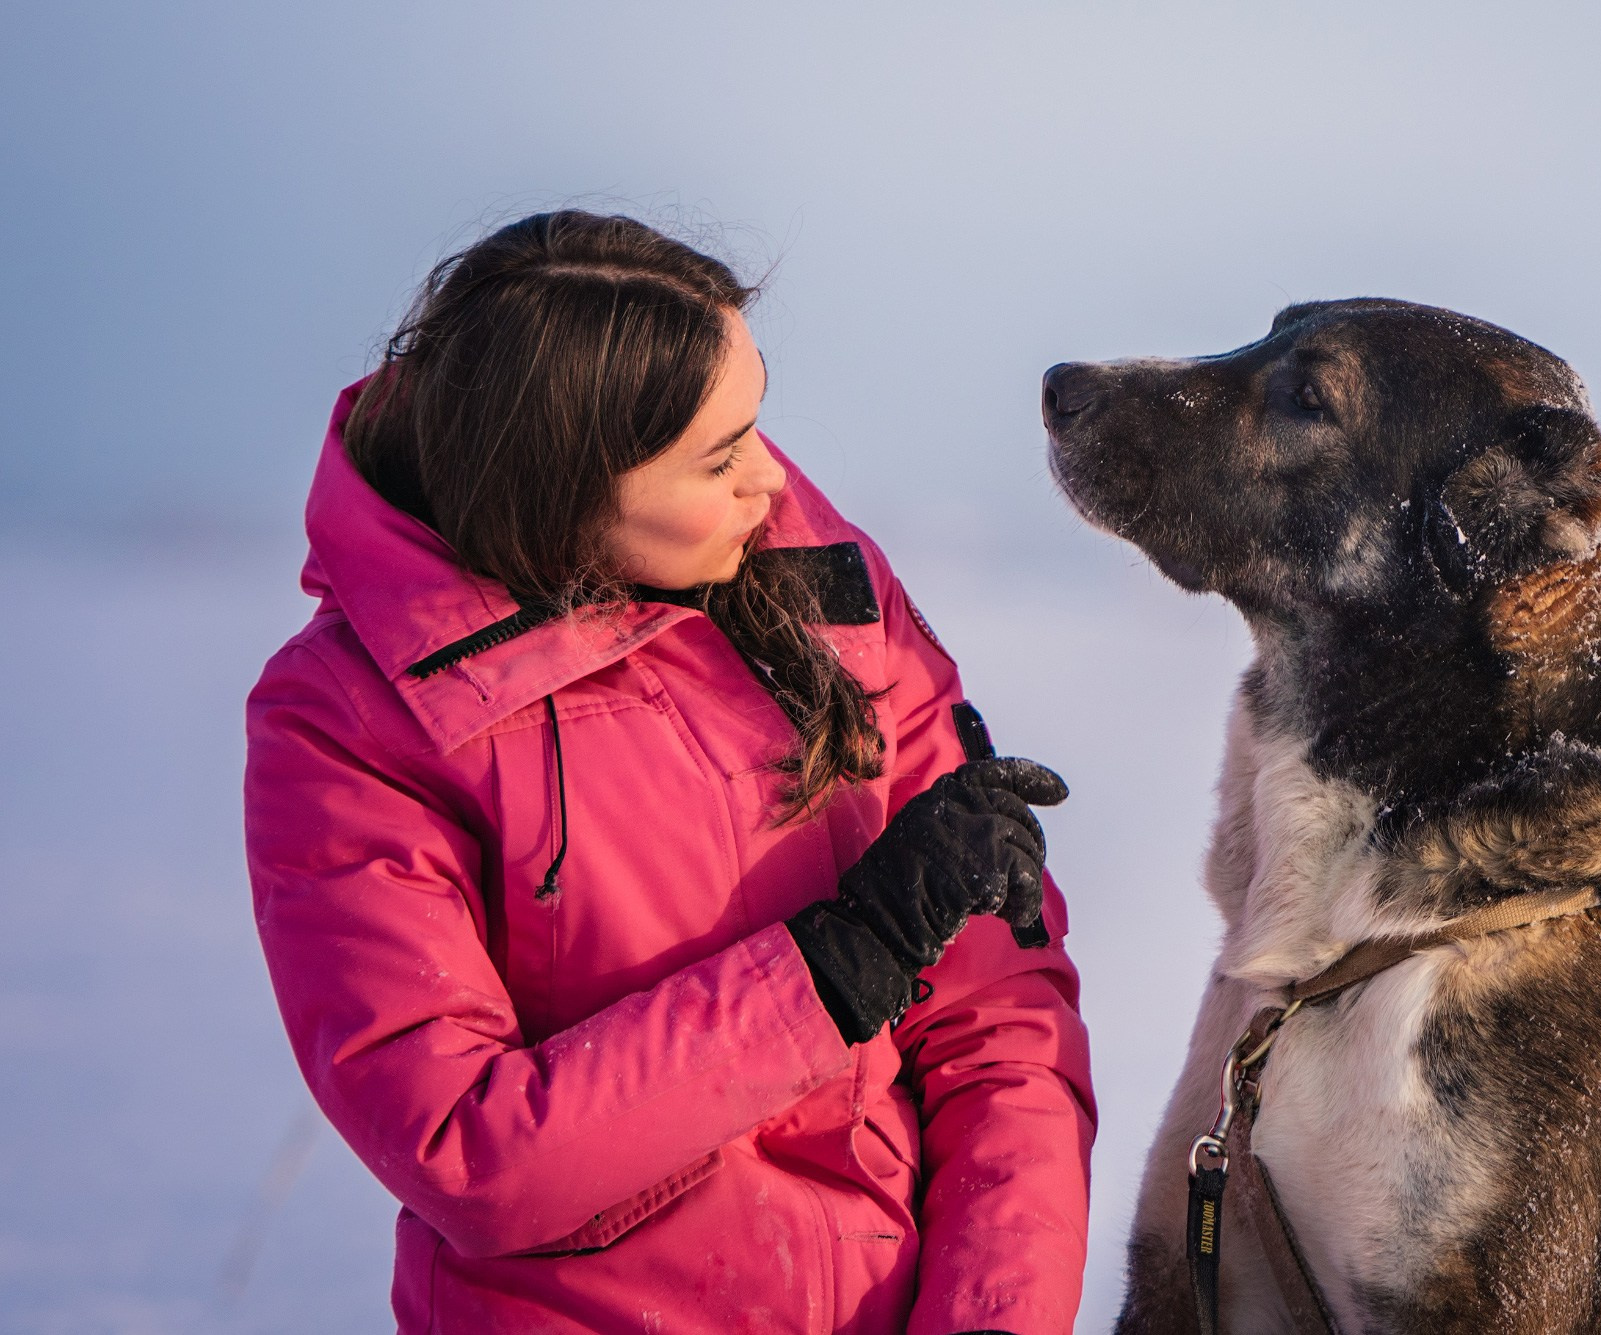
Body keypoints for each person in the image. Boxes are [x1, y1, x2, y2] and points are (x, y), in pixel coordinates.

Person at [243, 210, 1096, 1334]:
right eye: (716, 456)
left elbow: (1001, 1020)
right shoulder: (350, 722)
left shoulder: (823, 588)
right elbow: (466, 1149)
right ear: (565, 483)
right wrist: (836, 967)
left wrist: (992, 1320)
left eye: (753, 425)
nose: (766, 482)